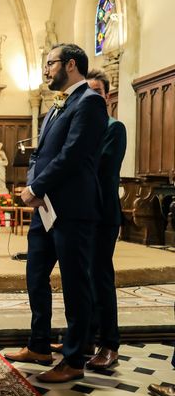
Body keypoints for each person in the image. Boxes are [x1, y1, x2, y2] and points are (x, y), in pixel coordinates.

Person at [4, 43, 108, 383]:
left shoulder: (90, 102)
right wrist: (35, 185)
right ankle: (39, 344)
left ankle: (75, 358)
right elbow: (40, 154)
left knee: (75, 283)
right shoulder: (57, 105)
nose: (46, 70)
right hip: (46, 208)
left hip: (73, 208)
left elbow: (73, 154)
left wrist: (35, 189)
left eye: (50, 64)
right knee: (35, 274)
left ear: (71, 65)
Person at [82, 69, 127, 369]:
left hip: (103, 212)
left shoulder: (114, 127)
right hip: (81, 215)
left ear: (107, 96)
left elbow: (102, 170)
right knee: (82, 278)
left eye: (97, 92)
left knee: (100, 276)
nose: (92, 98)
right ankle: (85, 337)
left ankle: (110, 343)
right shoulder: (82, 128)